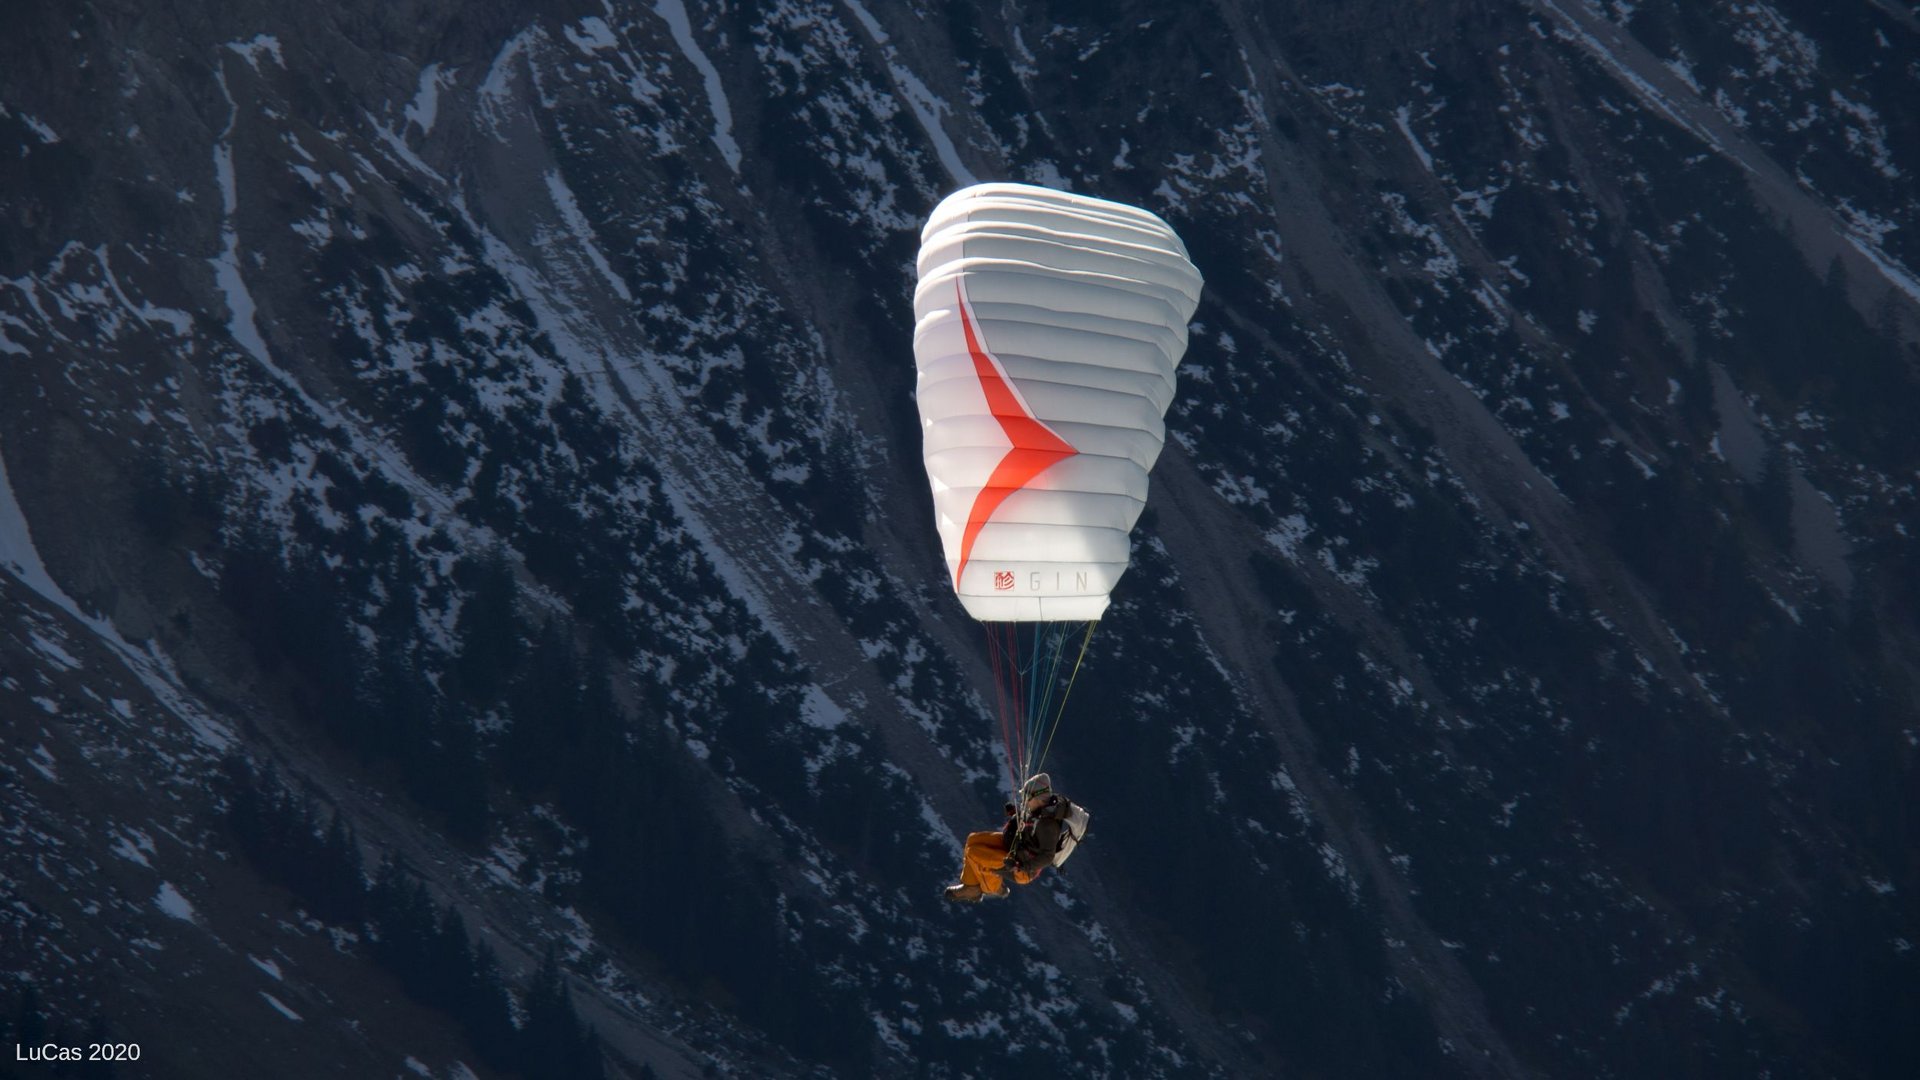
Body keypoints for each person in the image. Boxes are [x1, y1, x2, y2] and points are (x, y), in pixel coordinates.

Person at [944, 773, 1089, 902]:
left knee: (975, 854)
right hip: (1015, 845)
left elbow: (1047, 856)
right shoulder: (1040, 809)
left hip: (1020, 866)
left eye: (1027, 798)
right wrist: (1016, 813)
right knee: (973, 840)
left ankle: (987, 888)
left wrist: (1020, 867)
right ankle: (971, 884)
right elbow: (1029, 824)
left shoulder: (1047, 825)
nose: (1024, 801)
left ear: (1038, 798)